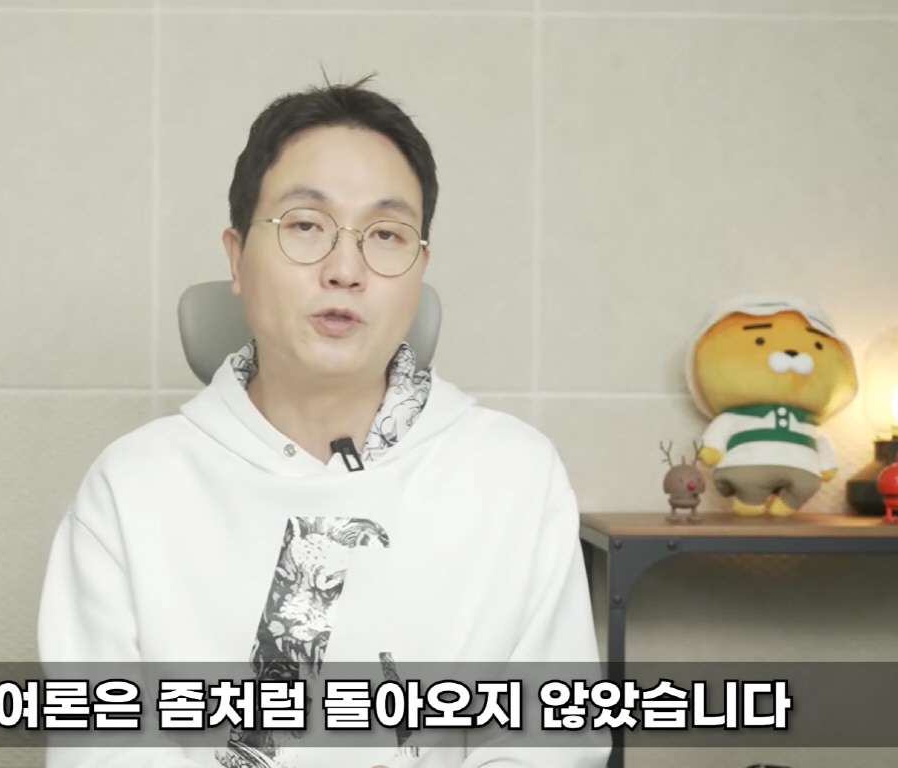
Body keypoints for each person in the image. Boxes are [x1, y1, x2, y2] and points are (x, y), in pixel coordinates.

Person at [38, 76, 609, 768]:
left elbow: (549, 745)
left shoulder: (514, 477)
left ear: (419, 269)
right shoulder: (131, 490)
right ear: (236, 258)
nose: (345, 269)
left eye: (386, 235)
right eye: (306, 225)